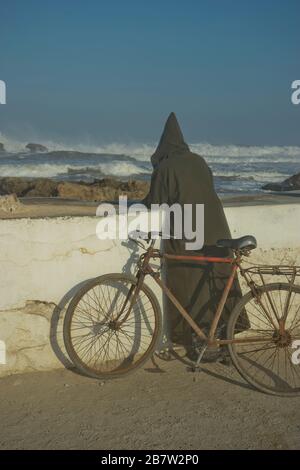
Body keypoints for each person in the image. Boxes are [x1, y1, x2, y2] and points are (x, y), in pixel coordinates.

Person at [144, 112, 244, 360]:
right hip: (216, 229)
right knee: (217, 282)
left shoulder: (166, 166)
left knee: (187, 283)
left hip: (187, 232)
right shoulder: (199, 160)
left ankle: (195, 340)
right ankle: (226, 340)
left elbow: (155, 202)